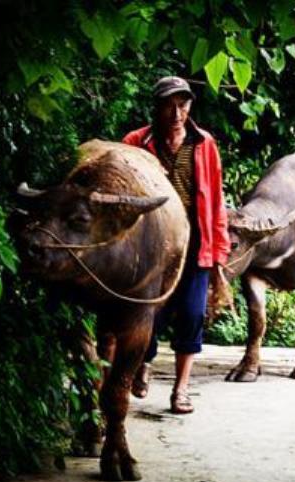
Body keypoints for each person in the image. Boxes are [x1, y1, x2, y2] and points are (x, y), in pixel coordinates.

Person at [122, 76, 230, 414]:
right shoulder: (136, 143)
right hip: (150, 244)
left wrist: (219, 253)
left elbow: (215, 197)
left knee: (193, 314)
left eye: (182, 104)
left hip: (194, 243)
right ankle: (144, 361)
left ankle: (181, 391)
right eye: (169, 104)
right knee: (147, 314)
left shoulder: (204, 144)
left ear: (190, 107)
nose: (176, 112)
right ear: (156, 106)